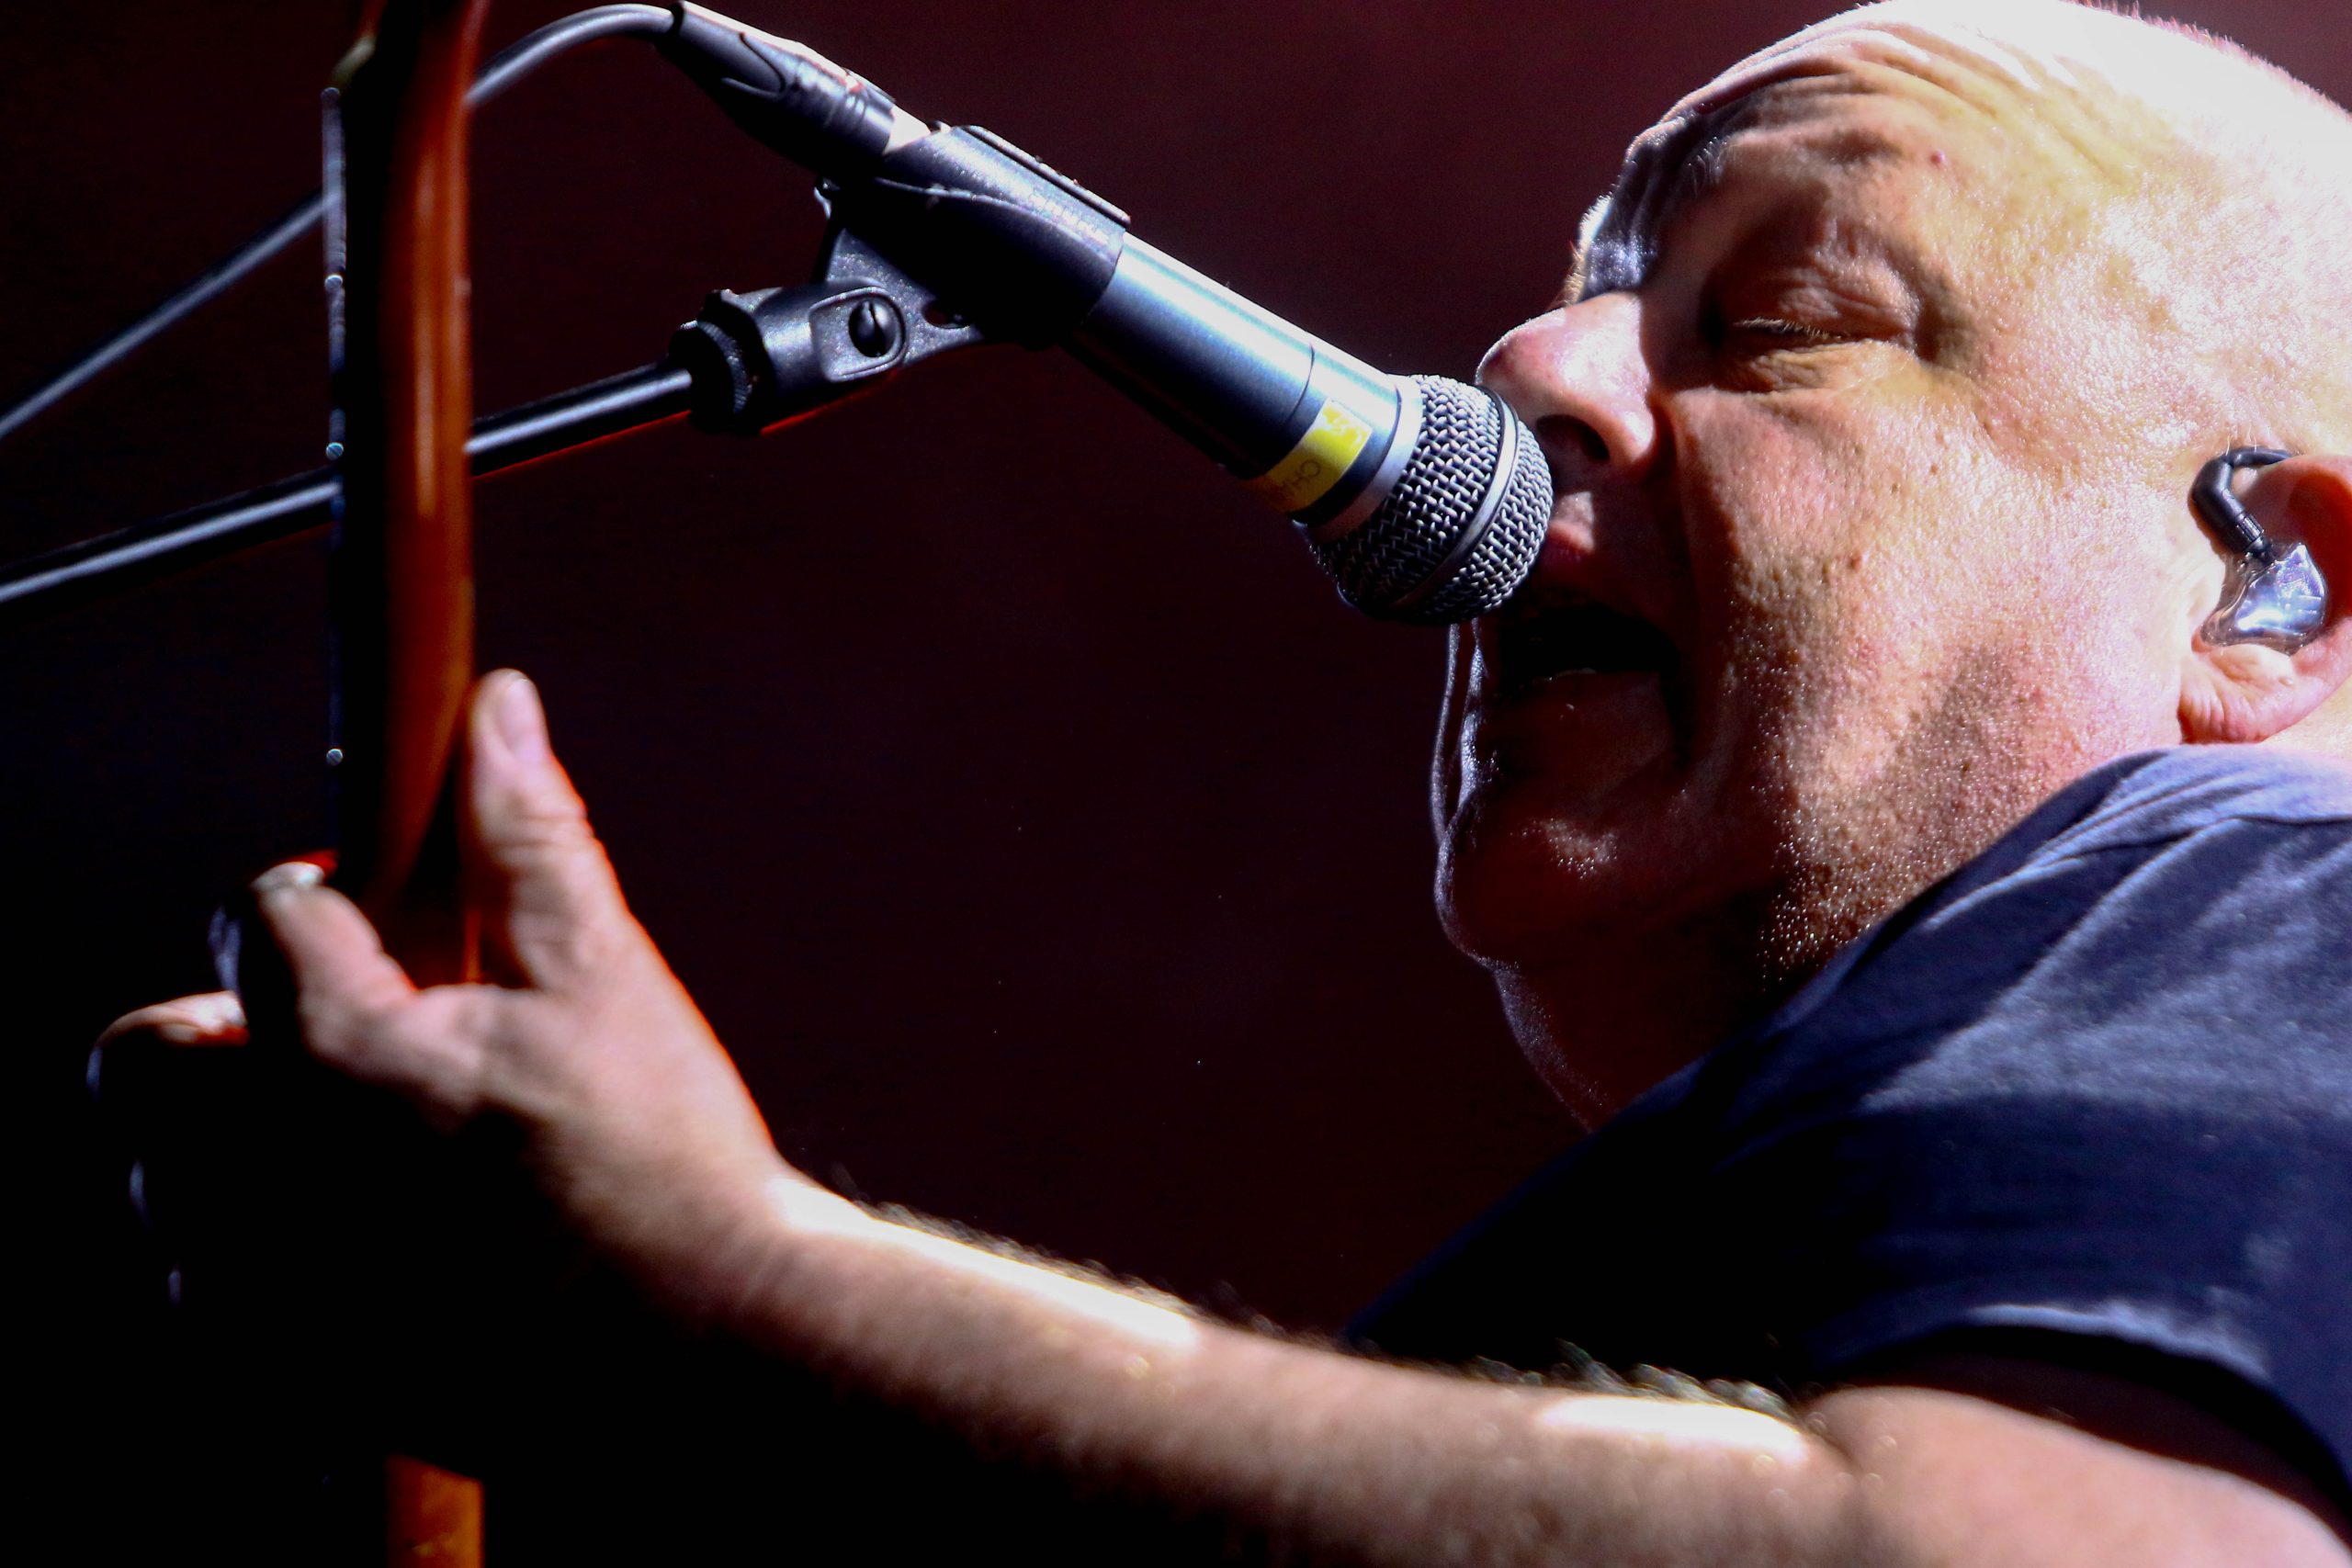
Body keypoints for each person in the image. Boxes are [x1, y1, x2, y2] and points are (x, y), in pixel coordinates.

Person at [103, 0, 2352, 1560]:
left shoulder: (2272, 883)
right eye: (1580, 301)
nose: (1527, 368)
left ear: (2277, 597)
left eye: (1774, 322)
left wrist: (716, 1303)